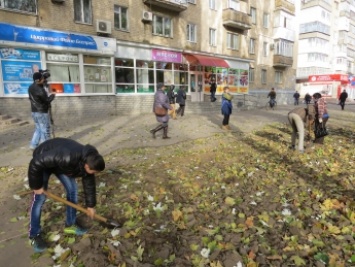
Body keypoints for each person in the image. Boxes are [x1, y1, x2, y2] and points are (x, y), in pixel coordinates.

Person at [28, 138, 105, 253]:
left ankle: (70, 224)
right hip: (42, 160)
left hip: (59, 163)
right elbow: (35, 163)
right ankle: (34, 235)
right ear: (86, 166)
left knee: (73, 189)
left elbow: (89, 182)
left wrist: (90, 205)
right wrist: (37, 186)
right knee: (40, 197)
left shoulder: (90, 158)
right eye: (94, 172)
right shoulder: (68, 157)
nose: (94, 174)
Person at [28, 72, 55, 150]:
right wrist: (52, 95)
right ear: (38, 80)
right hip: (41, 112)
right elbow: (47, 100)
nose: (44, 80)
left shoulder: (30, 87)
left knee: (38, 129)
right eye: (42, 79)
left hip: (34, 111)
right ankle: (45, 147)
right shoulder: (40, 89)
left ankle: (33, 145)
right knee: (45, 130)